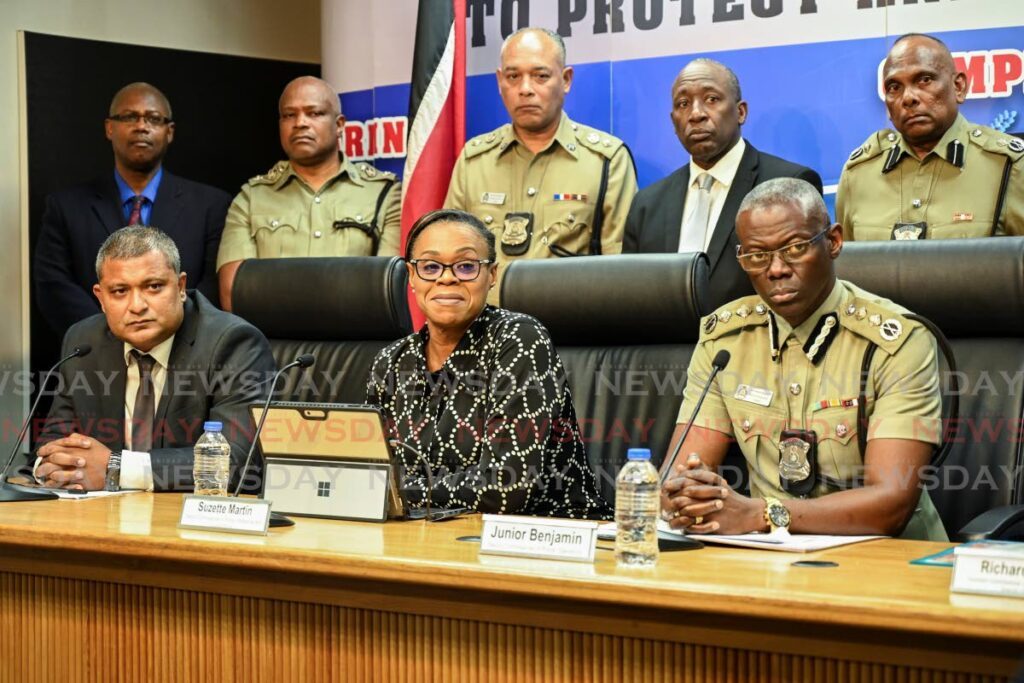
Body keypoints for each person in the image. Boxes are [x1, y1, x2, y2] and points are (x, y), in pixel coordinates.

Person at [660, 178, 946, 541]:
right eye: (757, 255)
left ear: (834, 241)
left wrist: (764, 514)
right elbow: (680, 474)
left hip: (890, 562)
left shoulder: (898, 343)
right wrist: (685, 498)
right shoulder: (724, 342)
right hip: (769, 561)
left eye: (795, 248)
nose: (776, 269)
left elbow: (891, 504)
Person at [366, 209, 609, 518]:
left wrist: (398, 489)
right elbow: (369, 471)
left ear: (491, 275)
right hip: (429, 535)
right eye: (429, 266)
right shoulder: (391, 361)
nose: (447, 277)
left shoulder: (519, 339)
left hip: (543, 537)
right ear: (411, 277)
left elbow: (505, 489)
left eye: (466, 266)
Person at [35, 226, 276, 492]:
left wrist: (115, 468)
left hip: (186, 519)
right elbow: (55, 441)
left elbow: (238, 461)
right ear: (101, 298)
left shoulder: (232, 343)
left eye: (153, 287)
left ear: (181, 286)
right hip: (103, 517)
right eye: (119, 291)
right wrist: (55, 466)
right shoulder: (84, 341)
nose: (137, 305)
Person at [444, 28, 638, 305]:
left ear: (566, 79)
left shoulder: (606, 160)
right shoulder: (474, 161)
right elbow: (450, 260)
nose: (525, 89)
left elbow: (620, 275)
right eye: (513, 76)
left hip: (569, 337)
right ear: (500, 82)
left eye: (540, 76)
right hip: (484, 334)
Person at [623, 59, 822, 311]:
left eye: (711, 99)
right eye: (683, 104)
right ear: (673, 121)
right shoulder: (647, 206)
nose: (696, 114)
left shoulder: (789, 185)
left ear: (741, 112)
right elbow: (632, 302)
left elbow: (807, 290)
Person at [34, 82, 231, 337]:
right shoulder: (66, 207)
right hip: (97, 358)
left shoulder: (212, 205)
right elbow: (54, 286)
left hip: (186, 354)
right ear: (109, 128)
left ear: (169, 131)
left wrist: (168, 333)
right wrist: (111, 335)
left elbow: (214, 286)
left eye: (153, 118)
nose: (141, 126)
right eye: (129, 117)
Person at [216, 76, 402, 310]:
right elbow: (235, 295)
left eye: (314, 113)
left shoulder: (383, 193)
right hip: (270, 343)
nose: (300, 123)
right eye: (289, 115)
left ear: (340, 125)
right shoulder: (251, 198)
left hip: (358, 342)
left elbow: (387, 291)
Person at [837, 33, 1023, 240]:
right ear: (887, 106)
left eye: (925, 80)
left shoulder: (1009, 165)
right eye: (894, 87)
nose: (908, 98)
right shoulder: (858, 174)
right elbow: (848, 268)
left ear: (958, 87)